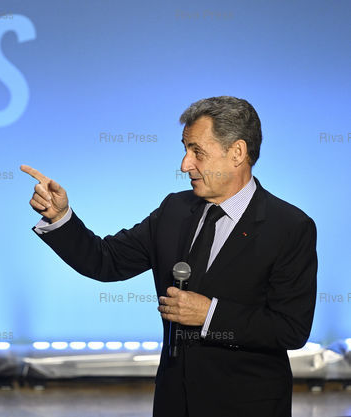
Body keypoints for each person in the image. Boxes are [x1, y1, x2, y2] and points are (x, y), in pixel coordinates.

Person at [21, 96, 317, 417]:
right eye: (185, 149)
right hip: (174, 402)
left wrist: (210, 314)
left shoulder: (289, 227)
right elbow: (105, 261)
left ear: (237, 153)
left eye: (197, 151)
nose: (185, 164)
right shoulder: (175, 209)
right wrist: (60, 217)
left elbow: (290, 328)